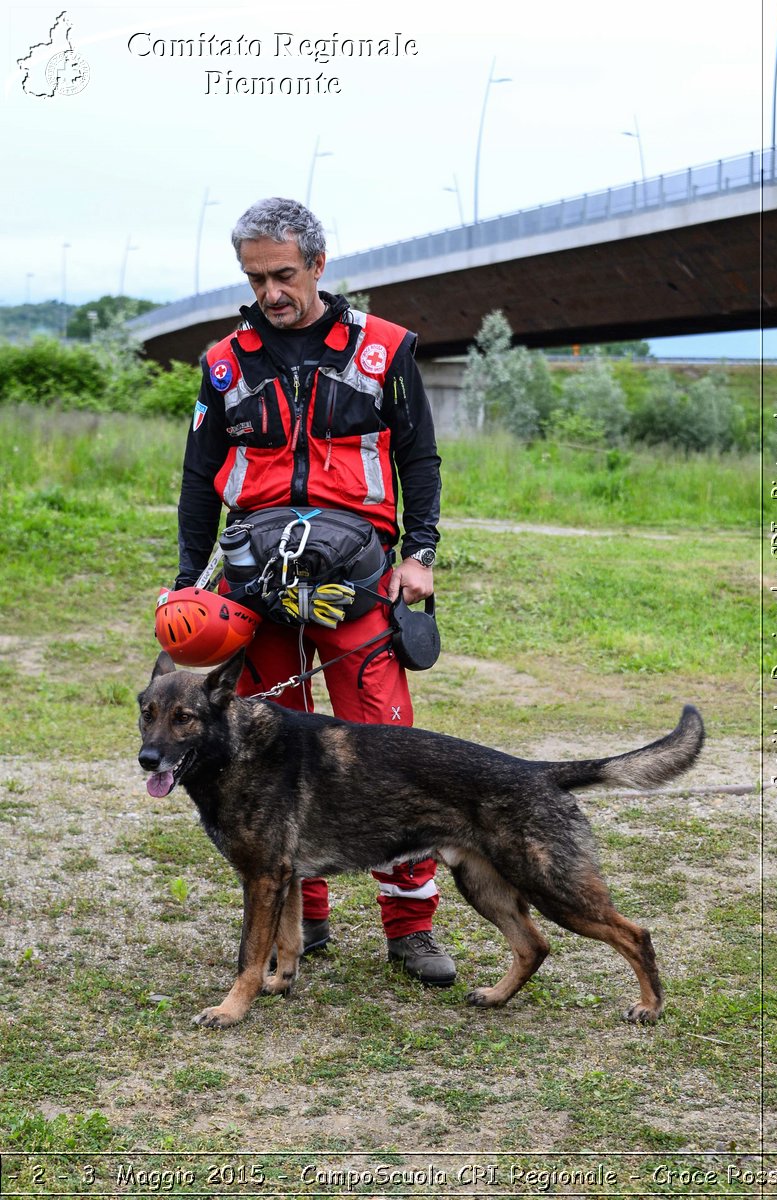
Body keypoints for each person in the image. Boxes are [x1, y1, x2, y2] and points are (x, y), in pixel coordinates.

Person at [174, 196, 456, 986]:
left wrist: (420, 553)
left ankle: (411, 930)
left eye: (285, 274)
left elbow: (419, 460)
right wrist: (185, 581)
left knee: (389, 752)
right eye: (256, 277)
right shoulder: (225, 363)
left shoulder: (384, 350)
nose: (271, 292)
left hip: (358, 581)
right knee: (265, 758)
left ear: (320, 265)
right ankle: (307, 919)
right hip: (253, 588)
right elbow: (201, 482)